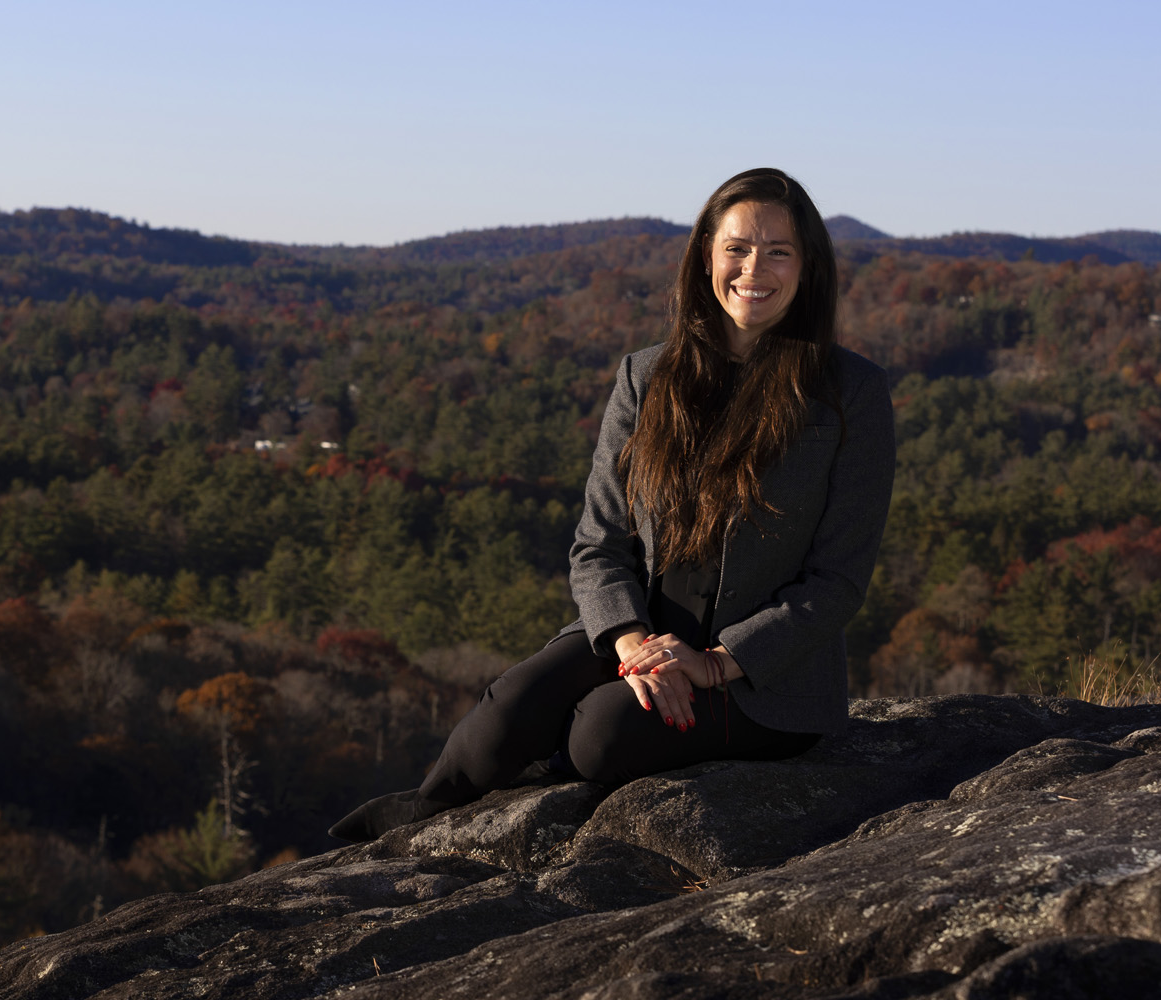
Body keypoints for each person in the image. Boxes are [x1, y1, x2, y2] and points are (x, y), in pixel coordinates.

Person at [329, 167, 896, 842]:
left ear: (807, 269)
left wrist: (714, 663)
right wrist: (633, 645)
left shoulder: (849, 392)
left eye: (779, 251)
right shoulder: (647, 375)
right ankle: (417, 822)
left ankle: (543, 773)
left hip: (765, 679)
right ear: (706, 257)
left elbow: (837, 583)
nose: (755, 269)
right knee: (507, 711)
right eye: (738, 248)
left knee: (601, 731)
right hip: (644, 628)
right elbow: (598, 542)